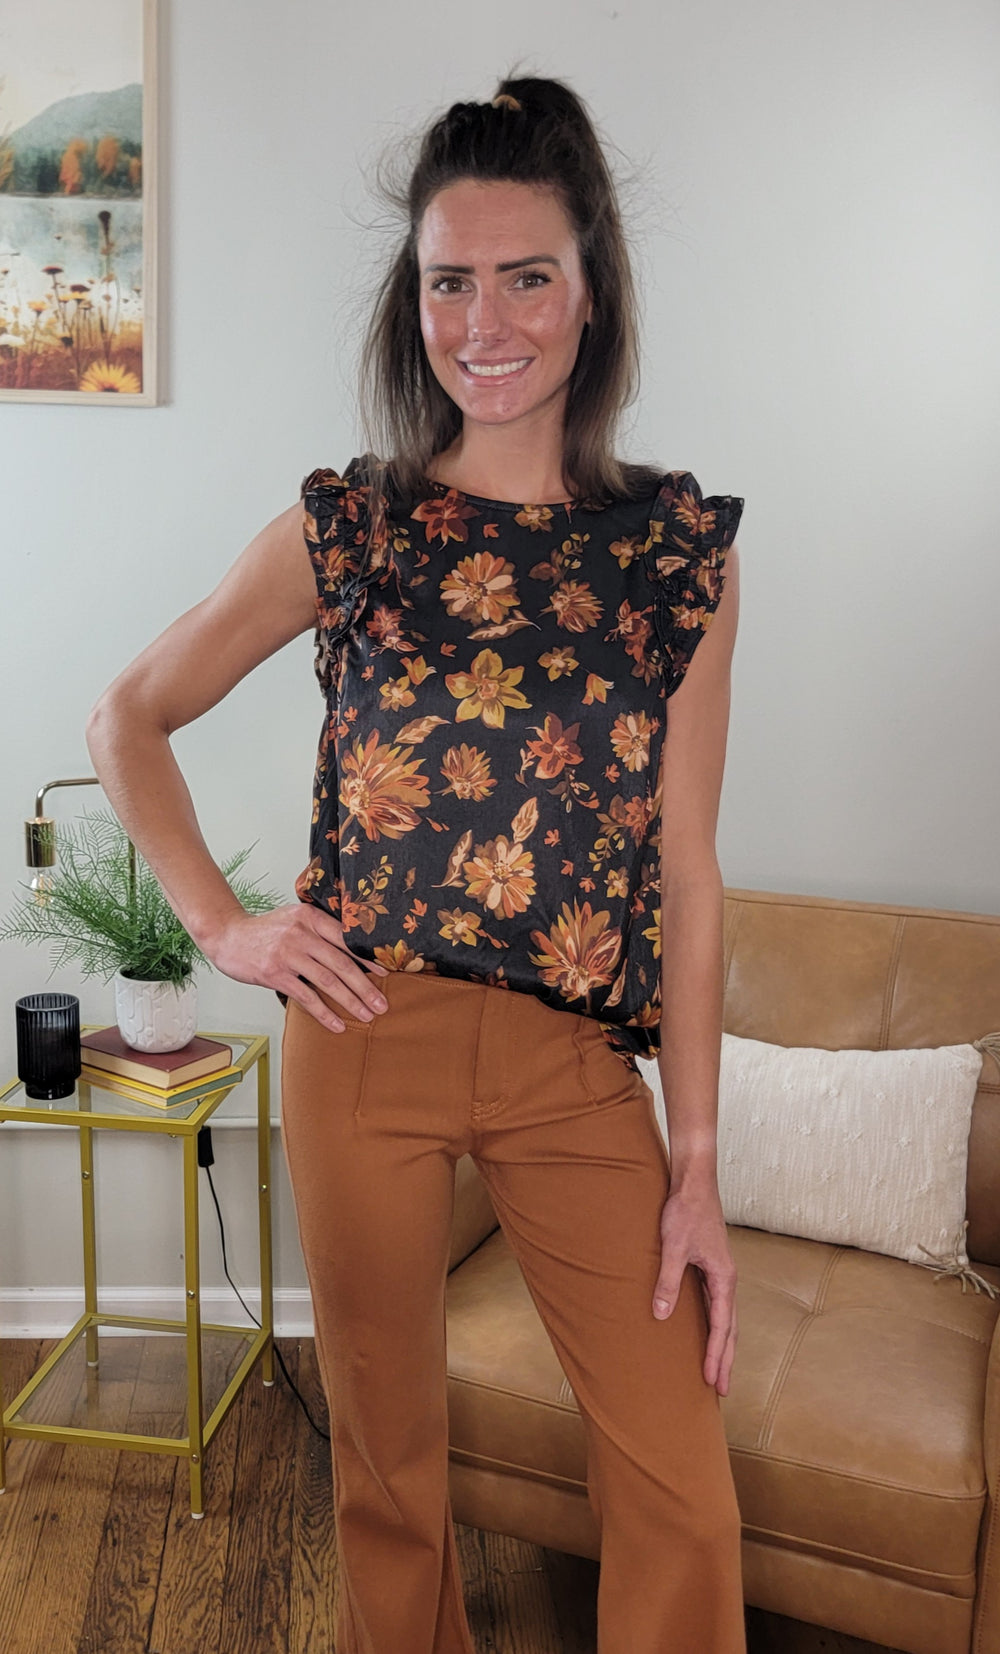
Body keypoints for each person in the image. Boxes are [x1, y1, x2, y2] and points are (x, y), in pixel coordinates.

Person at [86, 72, 746, 1654]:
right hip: (362, 1038)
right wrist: (225, 924)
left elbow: (693, 872)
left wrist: (701, 1162)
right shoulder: (354, 527)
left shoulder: (675, 557)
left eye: (529, 274)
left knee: (679, 1489)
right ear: (417, 298)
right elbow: (130, 715)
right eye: (451, 279)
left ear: (592, 292)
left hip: (575, 1064)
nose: (487, 318)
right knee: (387, 1462)